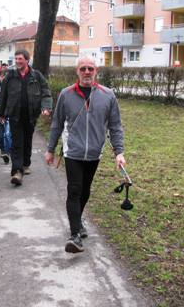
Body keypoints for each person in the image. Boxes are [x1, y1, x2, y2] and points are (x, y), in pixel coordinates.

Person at [44, 57, 126, 253]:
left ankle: (77, 221)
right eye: (83, 68)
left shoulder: (108, 95)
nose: (87, 72)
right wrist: (50, 149)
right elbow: (56, 124)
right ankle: (74, 235)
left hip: (94, 153)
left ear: (96, 71)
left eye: (90, 68)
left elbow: (115, 126)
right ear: (77, 72)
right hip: (73, 151)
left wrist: (119, 152)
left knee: (85, 190)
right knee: (74, 190)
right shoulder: (66, 94)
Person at [0, 49, 52, 185]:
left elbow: (46, 92)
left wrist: (46, 107)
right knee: (17, 143)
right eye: (16, 59)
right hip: (15, 116)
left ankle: (26, 163)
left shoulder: (36, 76)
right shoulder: (10, 76)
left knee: (27, 140)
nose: (17, 61)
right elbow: (3, 95)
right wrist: (1, 113)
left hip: (31, 116)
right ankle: (17, 171)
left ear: (27, 60)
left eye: (20, 59)